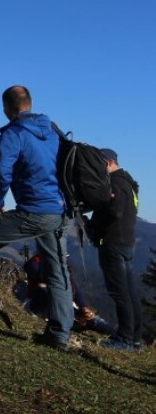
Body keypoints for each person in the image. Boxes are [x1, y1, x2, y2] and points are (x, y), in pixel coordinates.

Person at [0, 85, 73, 349]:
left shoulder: (14, 133)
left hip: (33, 210)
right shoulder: (54, 132)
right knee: (57, 271)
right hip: (60, 212)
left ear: (7, 108)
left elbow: (1, 171)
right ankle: (60, 335)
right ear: (30, 103)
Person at [88, 149, 144, 350]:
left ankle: (125, 339)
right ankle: (135, 338)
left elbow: (114, 211)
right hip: (126, 243)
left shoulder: (116, 184)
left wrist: (94, 224)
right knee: (129, 292)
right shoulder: (129, 183)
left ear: (110, 162)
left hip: (113, 243)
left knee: (120, 293)